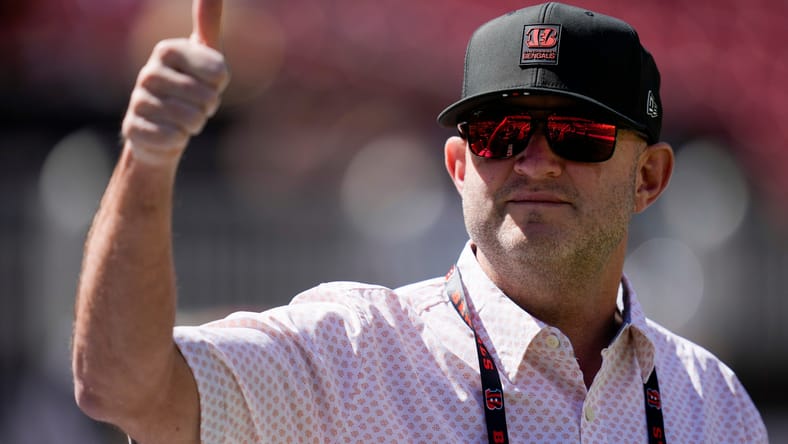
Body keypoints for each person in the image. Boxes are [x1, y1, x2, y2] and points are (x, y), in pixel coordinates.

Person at [71, 1, 768, 443]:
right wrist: (148, 158)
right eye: (499, 133)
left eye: (576, 134)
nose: (535, 161)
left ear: (649, 179)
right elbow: (120, 386)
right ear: (461, 166)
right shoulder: (348, 356)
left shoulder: (714, 404)